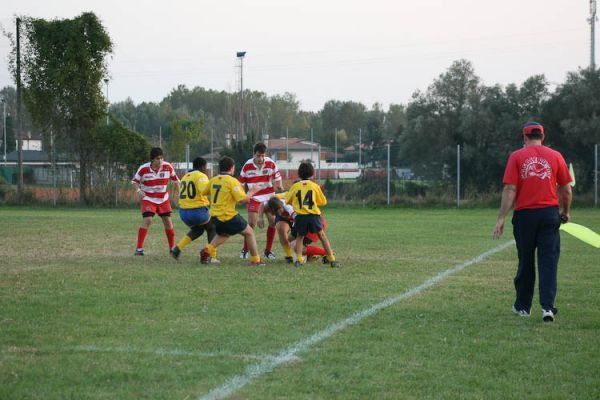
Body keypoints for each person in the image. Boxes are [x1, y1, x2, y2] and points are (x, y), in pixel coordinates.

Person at [493, 121, 572, 322]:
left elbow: (510, 189)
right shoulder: (556, 156)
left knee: (526, 261)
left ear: (524, 137)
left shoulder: (516, 156)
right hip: (549, 214)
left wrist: (501, 217)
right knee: (548, 262)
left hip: (525, 216)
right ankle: (547, 307)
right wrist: (565, 211)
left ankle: (523, 307)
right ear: (542, 136)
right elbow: (566, 188)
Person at [200, 156, 265, 266]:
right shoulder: (232, 181)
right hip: (228, 215)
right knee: (249, 233)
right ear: (232, 168)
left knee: (224, 234)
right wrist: (252, 191)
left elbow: (204, 192)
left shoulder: (213, 180)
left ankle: (207, 249)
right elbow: (243, 199)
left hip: (215, 217)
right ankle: (256, 260)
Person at [285, 161, 339, 268]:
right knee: (322, 236)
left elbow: (288, 200)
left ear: (299, 174)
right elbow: (323, 202)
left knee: (300, 237)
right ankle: (331, 258)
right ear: (312, 174)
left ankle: (299, 260)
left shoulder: (295, 186)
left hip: (300, 216)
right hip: (314, 216)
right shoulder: (315, 186)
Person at [238, 142, 284, 260]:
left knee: (273, 221)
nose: (261, 158)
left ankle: (268, 251)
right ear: (254, 154)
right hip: (254, 198)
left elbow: (278, 178)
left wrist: (279, 186)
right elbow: (241, 184)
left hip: (269, 197)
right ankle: (245, 249)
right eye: (258, 156)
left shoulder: (271, 163)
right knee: (252, 223)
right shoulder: (247, 166)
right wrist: (243, 196)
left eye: (263, 155)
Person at [132, 147, 180, 256]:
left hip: (163, 199)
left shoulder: (168, 167)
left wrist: (180, 194)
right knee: (148, 219)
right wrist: (138, 190)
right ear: (152, 160)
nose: (160, 160)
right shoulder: (143, 168)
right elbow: (135, 181)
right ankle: (139, 249)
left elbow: (176, 181)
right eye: (158, 158)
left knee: (168, 221)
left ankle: (172, 248)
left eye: (162, 158)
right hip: (148, 198)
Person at [170, 157, 217, 261]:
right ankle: (212, 256)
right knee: (212, 227)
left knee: (198, 230)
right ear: (202, 167)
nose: (206, 170)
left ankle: (177, 249)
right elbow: (205, 190)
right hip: (197, 211)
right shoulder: (201, 175)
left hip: (183, 213)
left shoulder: (185, 176)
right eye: (205, 168)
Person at [258, 196, 330, 264]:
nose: (279, 213)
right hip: (304, 220)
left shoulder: (289, 208)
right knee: (289, 239)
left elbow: (300, 222)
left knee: (298, 248)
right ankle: (305, 255)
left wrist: (300, 237)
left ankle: (326, 253)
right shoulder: (273, 202)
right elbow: (263, 204)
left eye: (280, 209)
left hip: (313, 223)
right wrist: (260, 217)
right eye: (276, 212)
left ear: (282, 205)